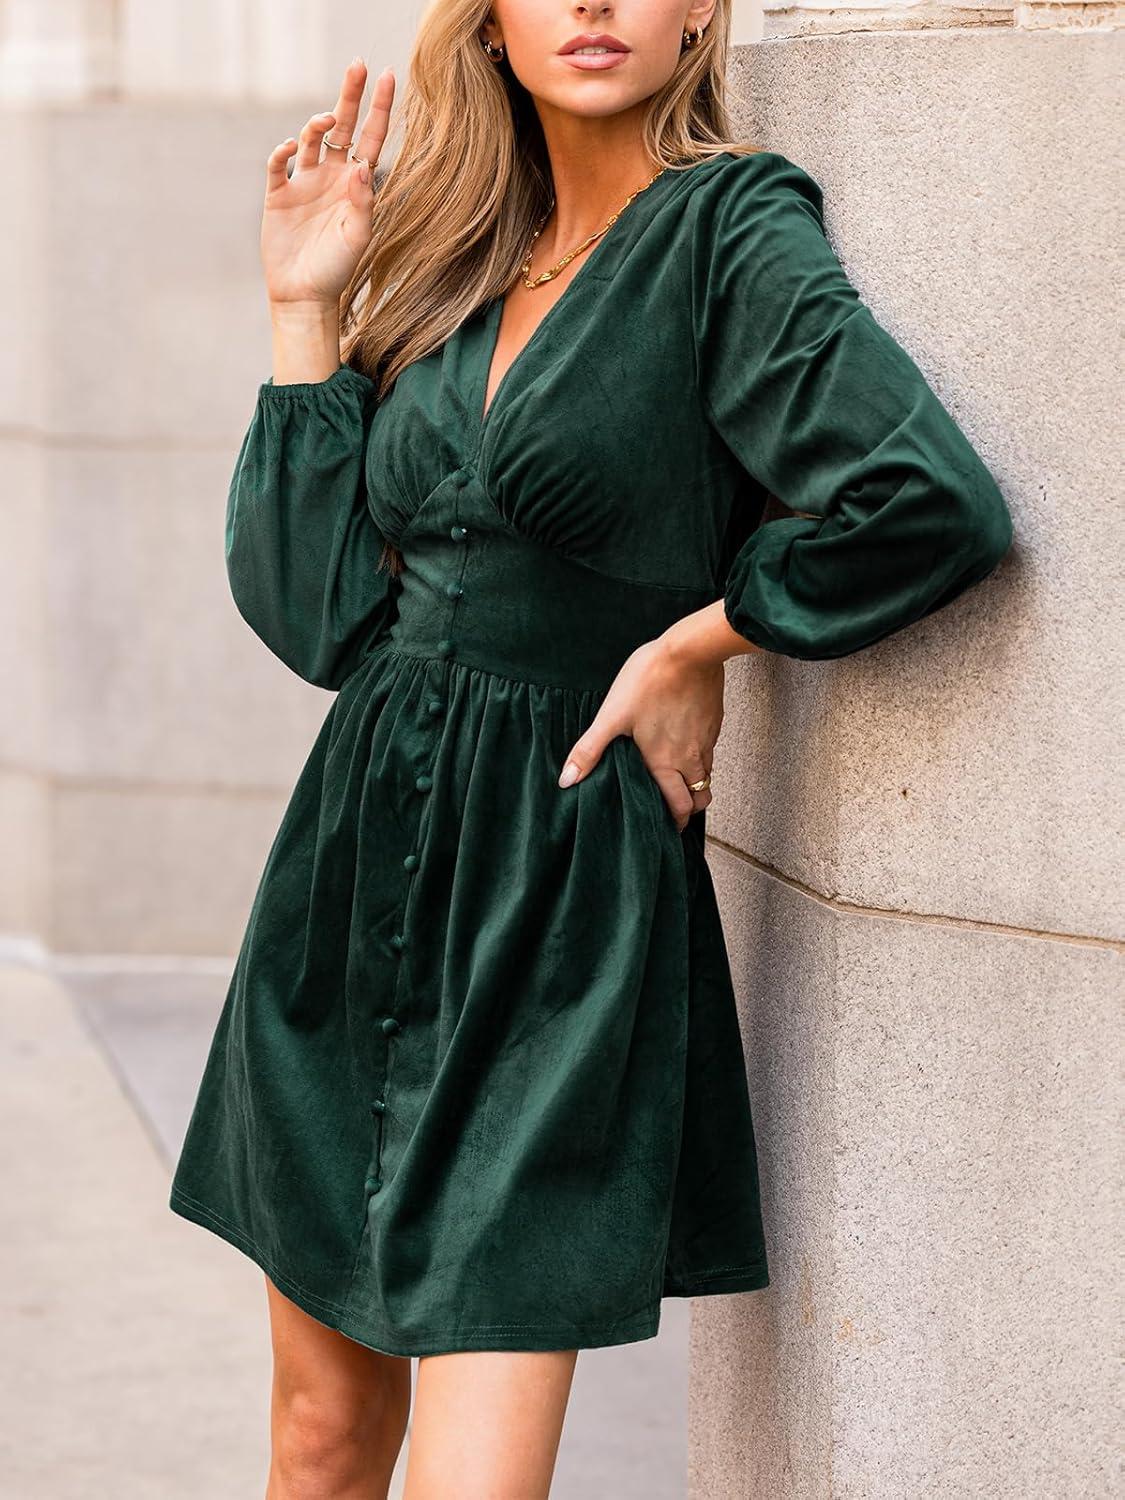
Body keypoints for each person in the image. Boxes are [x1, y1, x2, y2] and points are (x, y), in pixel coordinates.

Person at [169, 2, 1014, 1496]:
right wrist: (305, 311)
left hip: (557, 888)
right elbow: (321, 619)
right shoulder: (451, 256)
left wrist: (702, 643)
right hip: (352, 870)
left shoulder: (728, 231)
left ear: (702, 11)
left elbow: (925, 502)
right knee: (318, 1437)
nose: (596, 4)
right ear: (492, 23)